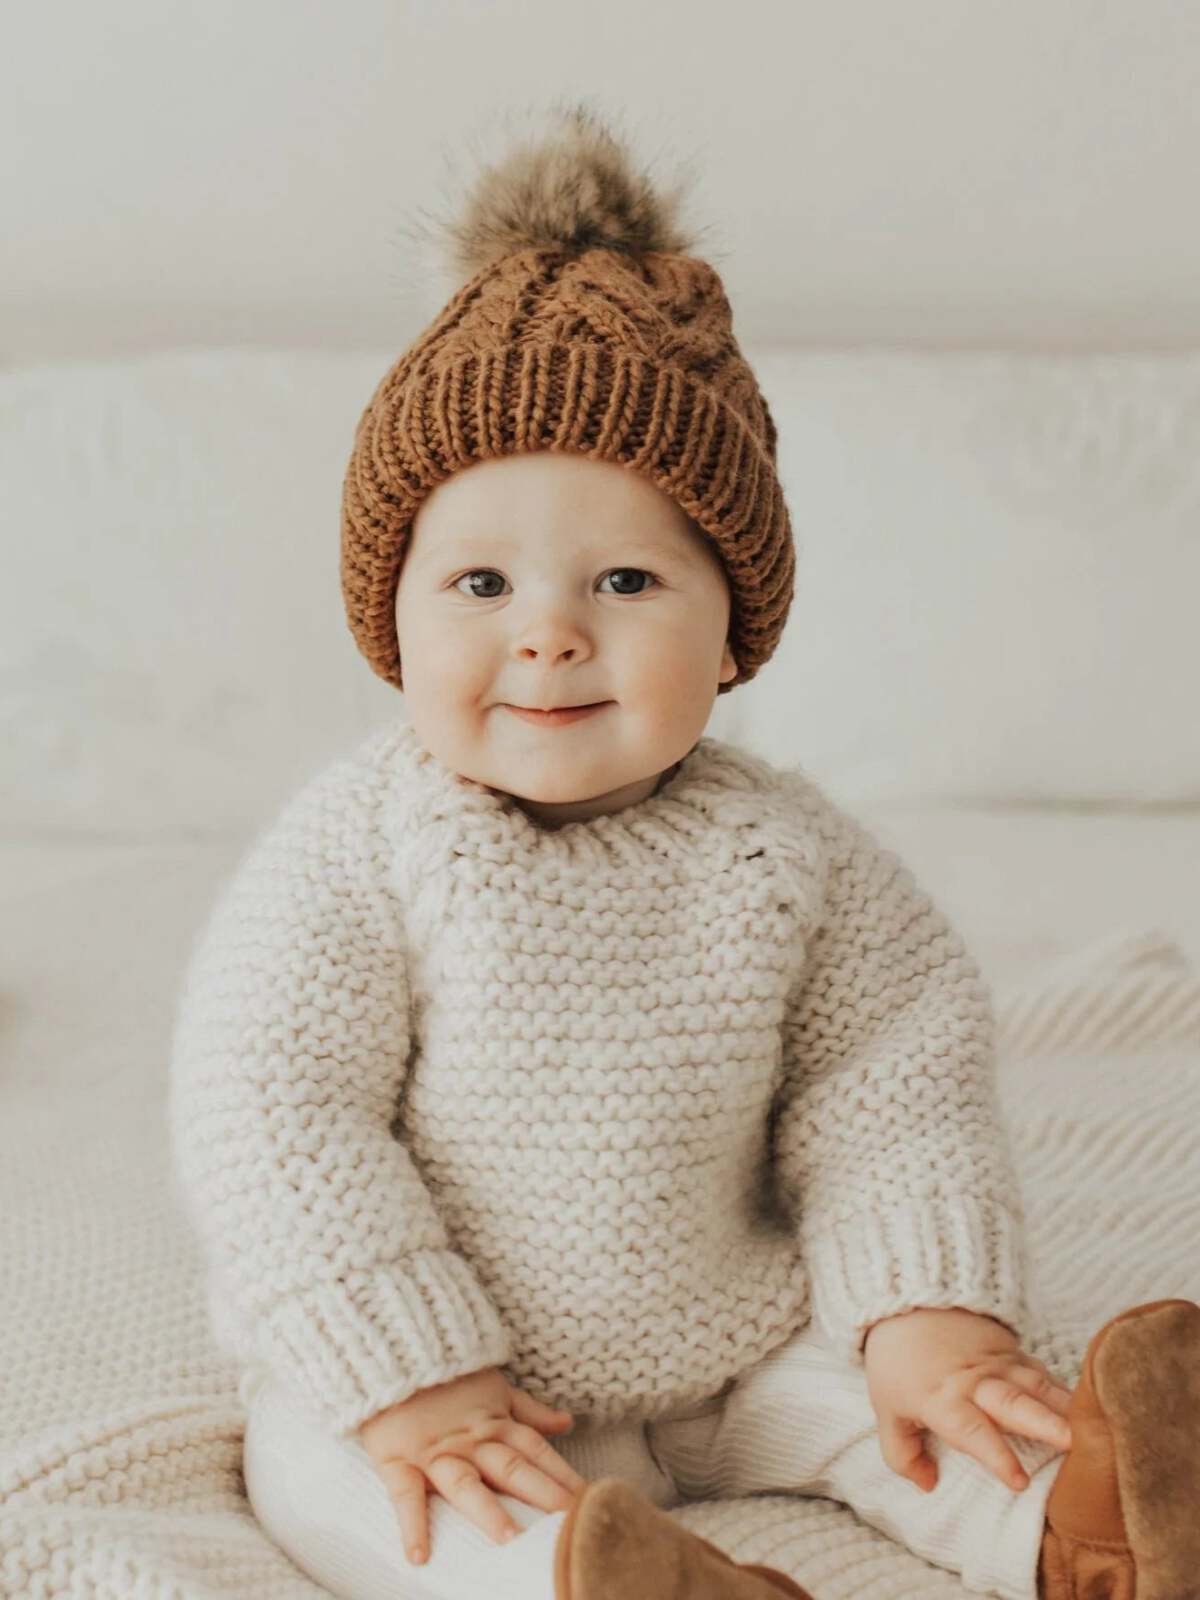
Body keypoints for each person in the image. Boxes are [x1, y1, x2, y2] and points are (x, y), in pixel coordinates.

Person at [167, 98, 1200, 1600]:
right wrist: (409, 1371)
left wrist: (925, 1309)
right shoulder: (362, 851)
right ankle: (595, 1582)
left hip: (729, 1340)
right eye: (477, 579)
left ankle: (1086, 1524)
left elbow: (890, 1087)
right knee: (357, 1484)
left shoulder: (787, 855)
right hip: (462, 1371)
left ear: (733, 638)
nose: (548, 630)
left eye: (628, 576)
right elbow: (271, 1115)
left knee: (916, 1417)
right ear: (389, 618)